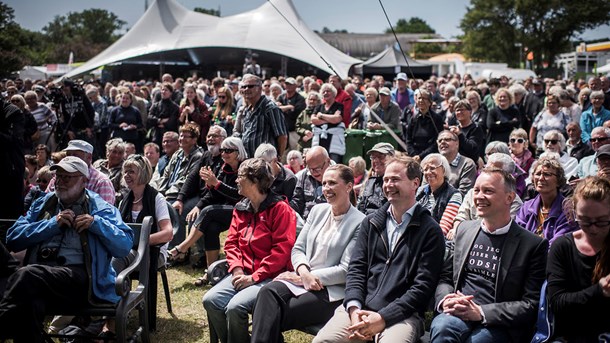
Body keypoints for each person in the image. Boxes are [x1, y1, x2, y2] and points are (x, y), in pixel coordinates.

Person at [0, 156, 133, 343]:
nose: (60, 182)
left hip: (79, 279)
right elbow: (13, 238)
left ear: (84, 181)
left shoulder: (98, 207)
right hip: (40, 279)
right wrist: (51, 224)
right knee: (28, 305)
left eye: (67, 178)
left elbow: (124, 245)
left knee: (26, 275)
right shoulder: (43, 203)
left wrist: (96, 224)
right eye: (58, 177)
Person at [313, 156, 446, 343]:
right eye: (385, 179)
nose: (388, 185)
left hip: (402, 316)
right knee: (323, 341)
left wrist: (383, 318)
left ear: (415, 183)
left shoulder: (429, 230)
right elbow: (356, 269)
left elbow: (422, 288)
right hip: (360, 308)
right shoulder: (372, 222)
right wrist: (353, 308)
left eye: (395, 179)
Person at [429, 167, 548, 343]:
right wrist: (446, 299)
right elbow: (446, 278)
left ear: (510, 197)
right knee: (443, 328)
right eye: (476, 190)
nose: (479, 196)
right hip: (457, 313)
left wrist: (481, 312)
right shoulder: (464, 230)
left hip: (498, 322)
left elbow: (530, 304)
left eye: (488, 191)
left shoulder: (532, 245)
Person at [251, 164, 365, 343]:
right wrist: (303, 273)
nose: (326, 188)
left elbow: (345, 270)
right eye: (324, 183)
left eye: (332, 183)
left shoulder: (360, 222)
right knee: (267, 293)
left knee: (270, 314)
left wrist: (309, 277)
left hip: (330, 291)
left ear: (349, 186)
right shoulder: (318, 211)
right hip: (302, 280)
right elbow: (298, 248)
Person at [202, 158, 296, 343]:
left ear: (254, 181)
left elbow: (281, 251)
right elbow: (231, 243)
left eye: (240, 177)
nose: (236, 181)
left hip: (271, 277)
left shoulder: (280, 209)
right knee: (210, 300)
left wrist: (254, 277)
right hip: (243, 272)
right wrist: (237, 269)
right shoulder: (241, 207)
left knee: (235, 308)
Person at [169, 137, 245, 285]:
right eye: (222, 150)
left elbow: (239, 195)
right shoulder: (225, 168)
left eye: (228, 150)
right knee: (211, 227)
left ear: (238, 152)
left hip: (244, 211)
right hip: (227, 211)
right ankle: (211, 272)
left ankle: (183, 247)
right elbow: (213, 194)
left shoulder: (245, 167)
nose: (224, 153)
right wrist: (199, 204)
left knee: (209, 211)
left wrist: (216, 183)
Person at [546, 176, 610, 342]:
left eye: (602, 221)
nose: (593, 228)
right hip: (570, 334)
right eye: (585, 221)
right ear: (573, 213)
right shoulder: (563, 247)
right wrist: (599, 291)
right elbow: (558, 303)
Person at [516, 156, 576, 246]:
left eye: (547, 174)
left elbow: (557, 245)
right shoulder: (526, 207)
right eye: (538, 174)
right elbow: (517, 236)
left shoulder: (567, 209)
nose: (541, 178)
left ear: (559, 180)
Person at [46, 139, 116, 205]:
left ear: (89, 157)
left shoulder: (101, 182)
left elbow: (106, 213)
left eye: (75, 155)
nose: (71, 158)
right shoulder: (58, 177)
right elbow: (45, 204)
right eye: (68, 154)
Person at [239, 74, 288, 159]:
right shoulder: (247, 109)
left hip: (265, 162)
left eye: (250, 86)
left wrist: (278, 158)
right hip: (249, 160)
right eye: (244, 87)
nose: (246, 89)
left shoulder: (270, 108)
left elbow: (282, 137)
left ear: (260, 88)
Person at [151, 122, 204, 202]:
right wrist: (160, 193)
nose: (182, 139)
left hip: (182, 196)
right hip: (167, 195)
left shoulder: (198, 157)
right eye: (181, 136)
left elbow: (186, 181)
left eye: (186, 136)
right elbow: (166, 176)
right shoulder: (177, 154)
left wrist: (166, 195)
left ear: (194, 140)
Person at [417, 153, 463, 236]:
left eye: (432, 168)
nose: (428, 172)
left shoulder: (454, 194)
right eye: (425, 169)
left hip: (433, 239)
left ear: (444, 170)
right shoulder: (420, 191)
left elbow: (444, 228)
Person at [290, 146, 330, 221]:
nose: (314, 172)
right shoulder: (303, 175)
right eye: (310, 168)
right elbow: (298, 202)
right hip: (306, 222)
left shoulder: (338, 176)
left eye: (317, 168)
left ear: (328, 161)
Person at [405, 88, 444, 161]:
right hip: (414, 156)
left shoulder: (436, 119)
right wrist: (414, 154)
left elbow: (437, 141)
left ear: (430, 102)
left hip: (431, 156)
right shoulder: (413, 118)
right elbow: (408, 140)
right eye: (419, 98)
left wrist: (421, 156)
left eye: (424, 98)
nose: (420, 101)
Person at [312, 83, 346, 163]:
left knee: (334, 163)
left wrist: (321, 115)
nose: (325, 93)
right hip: (320, 139)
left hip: (334, 140)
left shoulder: (339, 106)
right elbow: (313, 120)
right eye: (324, 92)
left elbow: (337, 119)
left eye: (328, 91)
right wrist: (330, 118)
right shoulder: (319, 107)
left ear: (334, 93)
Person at [356, 142, 394, 215]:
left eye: (381, 156)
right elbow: (360, 207)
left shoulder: (397, 182)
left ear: (392, 157)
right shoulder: (369, 182)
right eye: (373, 157)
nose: (376, 160)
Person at [436, 130, 477, 197]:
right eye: (440, 141)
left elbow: (463, 193)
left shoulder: (467, 164)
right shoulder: (432, 164)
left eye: (447, 139)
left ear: (457, 143)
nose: (442, 142)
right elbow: (424, 190)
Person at [278, 77, 306, 153]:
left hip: (294, 131)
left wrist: (283, 108)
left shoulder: (300, 98)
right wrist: (289, 107)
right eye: (287, 84)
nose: (288, 86)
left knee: (295, 152)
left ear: (295, 86)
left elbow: (295, 113)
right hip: (282, 131)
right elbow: (276, 109)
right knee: (282, 153)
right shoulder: (281, 97)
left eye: (290, 84)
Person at [147, 82, 180, 148]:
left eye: (166, 90)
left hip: (170, 136)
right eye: (162, 90)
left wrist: (164, 124)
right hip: (156, 135)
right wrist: (159, 120)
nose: (163, 92)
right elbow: (150, 118)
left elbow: (173, 121)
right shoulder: (155, 105)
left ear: (170, 93)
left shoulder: (175, 107)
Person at [179, 84, 210, 148]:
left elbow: (204, 120)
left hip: (199, 134)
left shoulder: (201, 104)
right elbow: (179, 121)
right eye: (187, 92)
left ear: (195, 93)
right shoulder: (183, 105)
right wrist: (183, 114)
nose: (189, 94)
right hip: (186, 134)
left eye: (191, 92)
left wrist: (192, 113)